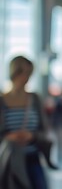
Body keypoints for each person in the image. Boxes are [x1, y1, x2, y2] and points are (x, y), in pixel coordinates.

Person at [0, 56, 51, 189]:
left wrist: (32, 136)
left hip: (32, 156)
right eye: (22, 73)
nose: (25, 78)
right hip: (9, 159)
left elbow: (44, 129)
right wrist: (8, 137)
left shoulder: (35, 99)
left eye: (28, 73)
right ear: (14, 73)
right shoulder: (2, 100)